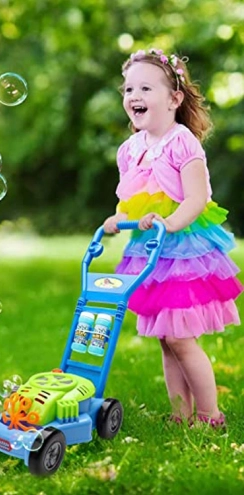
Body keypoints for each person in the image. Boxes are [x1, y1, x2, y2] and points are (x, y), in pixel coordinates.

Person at [103, 49, 242, 428]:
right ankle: (181, 414)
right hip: (151, 249)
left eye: (146, 87)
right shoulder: (130, 149)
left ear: (174, 98)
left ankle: (210, 415)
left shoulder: (182, 142)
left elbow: (197, 199)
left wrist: (168, 223)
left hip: (183, 250)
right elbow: (128, 201)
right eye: (129, 88)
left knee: (181, 338)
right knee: (166, 337)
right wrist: (118, 219)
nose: (134, 96)